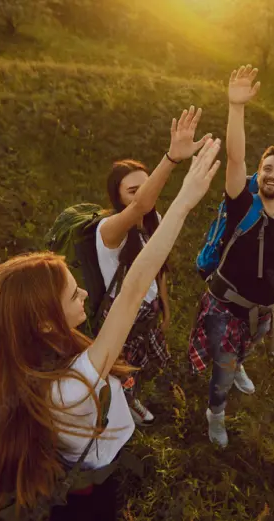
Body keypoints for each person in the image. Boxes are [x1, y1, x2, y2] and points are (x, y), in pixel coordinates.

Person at [0, 138, 222, 521]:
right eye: (74, 294)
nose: (86, 294)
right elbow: (134, 286)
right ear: (42, 322)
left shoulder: (22, 354)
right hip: (86, 486)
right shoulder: (73, 385)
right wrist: (185, 201)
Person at [188, 65, 274, 448]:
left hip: (262, 312)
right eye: (267, 168)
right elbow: (235, 160)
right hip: (226, 306)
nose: (272, 174)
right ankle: (215, 414)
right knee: (221, 374)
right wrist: (236, 108)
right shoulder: (242, 204)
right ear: (259, 173)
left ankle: (239, 367)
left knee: (244, 353)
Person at [97, 106, 211, 426]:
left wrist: (165, 303)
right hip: (121, 316)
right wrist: (172, 159)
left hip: (147, 308)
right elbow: (142, 203)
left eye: (149, 185)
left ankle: (139, 392)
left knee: (147, 361)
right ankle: (122, 407)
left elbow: (158, 266)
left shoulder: (155, 220)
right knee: (121, 368)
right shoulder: (109, 231)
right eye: (134, 190)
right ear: (118, 197)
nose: (148, 193)